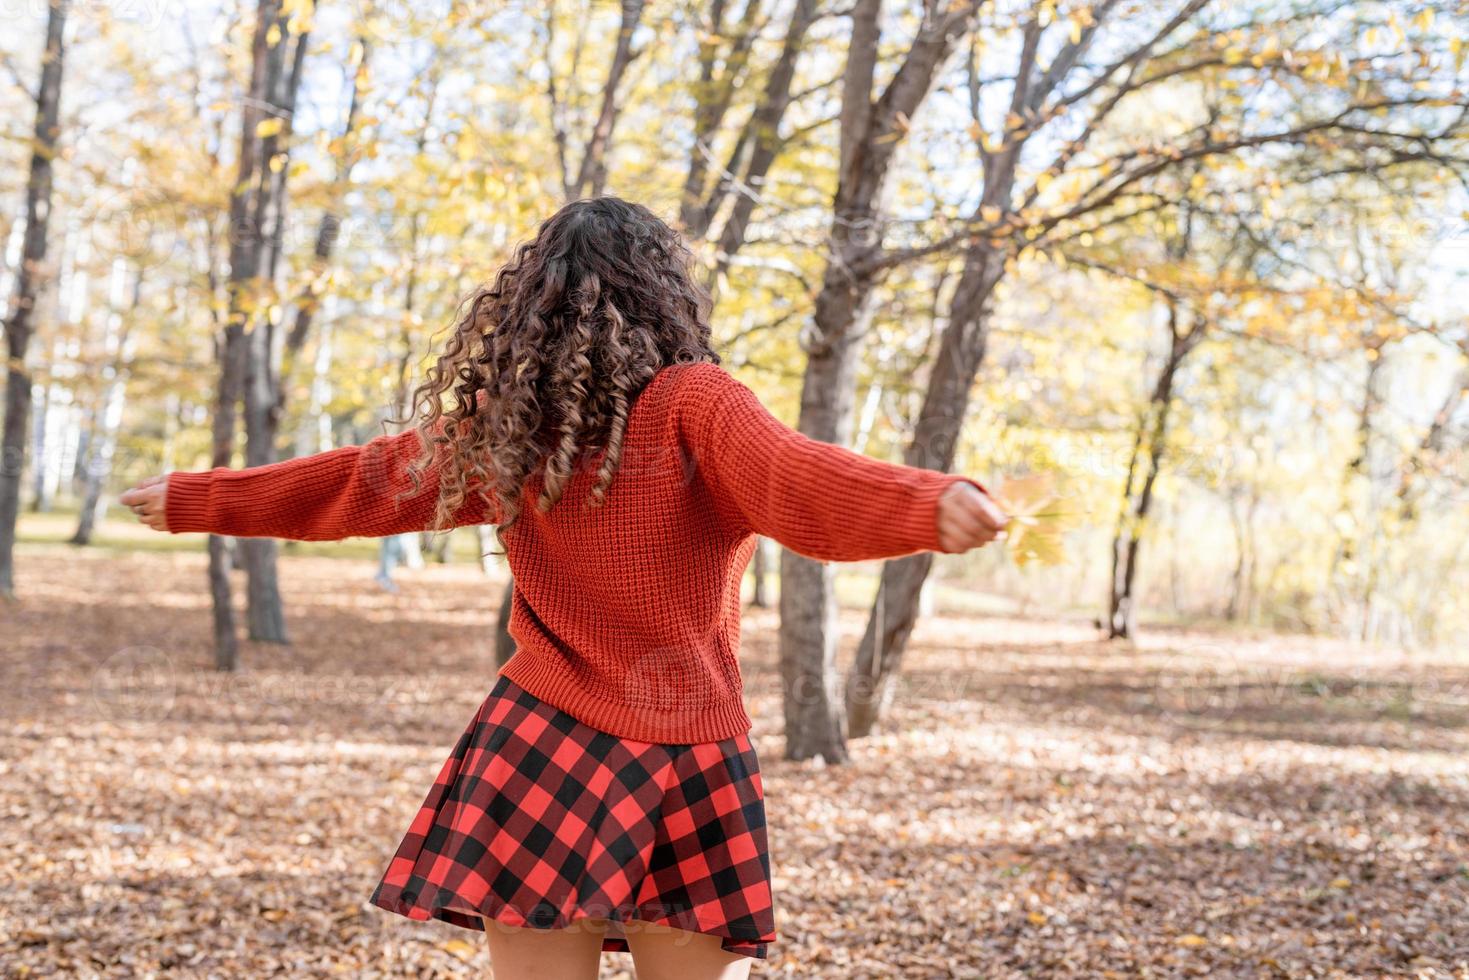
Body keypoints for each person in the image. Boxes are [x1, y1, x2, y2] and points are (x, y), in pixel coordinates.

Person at [120, 197, 1007, 980]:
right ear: (666, 295)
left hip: (539, 744)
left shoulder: (513, 431)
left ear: (530, 310)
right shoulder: (694, 399)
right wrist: (929, 505)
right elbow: (795, 478)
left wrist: (196, 497)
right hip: (685, 745)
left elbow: (358, 483)